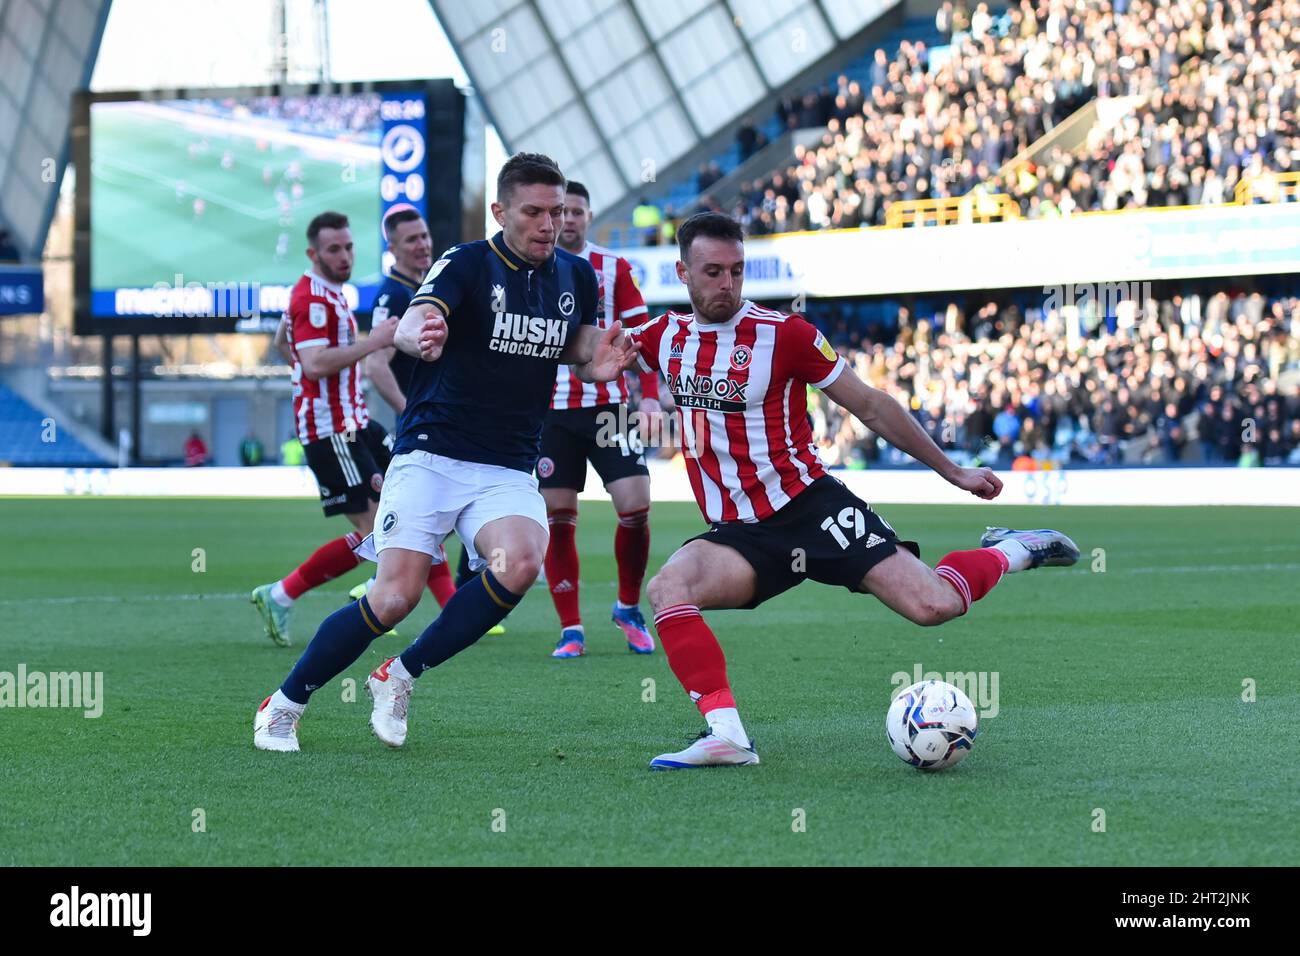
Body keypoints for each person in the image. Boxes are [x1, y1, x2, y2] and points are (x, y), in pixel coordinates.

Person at [624, 213, 1078, 769]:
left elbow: (868, 404)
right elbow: (597, 347)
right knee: (669, 587)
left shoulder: (785, 335)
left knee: (933, 605)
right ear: (682, 273)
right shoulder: (663, 336)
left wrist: (951, 470)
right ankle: (728, 737)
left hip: (813, 510)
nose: (727, 284)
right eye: (713, 272)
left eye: (737, 271)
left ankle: (1011, 550)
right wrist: (592, 361)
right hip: (740, 535)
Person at [254, 152, 637, 753]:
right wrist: (412, 332)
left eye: (557, 212)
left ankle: (399, 675)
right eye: (534, 211)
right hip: (432, 453)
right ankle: (284, 704)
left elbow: (578, 347)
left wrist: (600, 362)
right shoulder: (466, 263)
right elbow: (420, 317)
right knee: (393, 597)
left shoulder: (576, 276)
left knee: (520, 562)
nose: (548, 224)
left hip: (508, 463)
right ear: (500, 211)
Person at [248, 211, 399, 647]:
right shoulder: (312, 299)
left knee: (406, 508)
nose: (346, 255)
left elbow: (284, 343)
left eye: (349, 246)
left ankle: (287, 593)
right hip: (331, 431)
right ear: (314, 253)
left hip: (355, 422)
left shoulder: (323, 293)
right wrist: (377, 339)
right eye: (335, 249)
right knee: (381, 530)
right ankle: (349, 596)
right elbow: (312, 363)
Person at [542, 181, 658, 658]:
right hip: (551, 412)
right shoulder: (530, 269)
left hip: (609, 407)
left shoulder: (615, 267)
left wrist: (649, 397)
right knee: (558, 518)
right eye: (561, 211)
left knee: (635, 506)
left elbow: (643, 335)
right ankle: (571, 629)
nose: (568, 219)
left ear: (589, 216)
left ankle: (627, 607)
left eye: (577, 212)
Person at [348, 203, 465, 625]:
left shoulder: (431, 284)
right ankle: (374, 588)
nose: (423, 245)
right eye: (412, 239)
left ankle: (446, 599)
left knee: (434, 516)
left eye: (425, 237)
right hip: (421, 427)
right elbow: (376, 364)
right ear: (392, 246)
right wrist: (408, 410)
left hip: (442, 420)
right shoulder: (392, 294)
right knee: (416, 517)